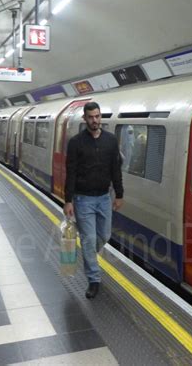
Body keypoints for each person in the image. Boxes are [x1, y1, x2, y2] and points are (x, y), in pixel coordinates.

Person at [64, 102, 124, 299]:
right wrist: (68, 200)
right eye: (90, 117)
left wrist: (119, 194)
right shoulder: (76, 143)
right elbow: (70, 172)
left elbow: (116, 169)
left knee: (104, 236)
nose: (95, 120)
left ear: (101, 117)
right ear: (85, 118)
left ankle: (89, 256)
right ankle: (94, 279)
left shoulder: (111, 141)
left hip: (104, 198)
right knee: (89, 240)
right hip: (83, 199)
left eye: (97, 116)